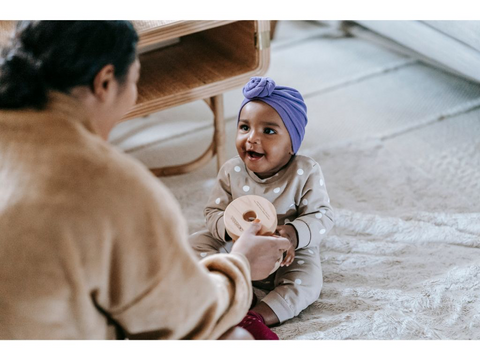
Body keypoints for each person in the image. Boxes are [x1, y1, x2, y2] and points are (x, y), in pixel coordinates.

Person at [0, 21, 291, 340]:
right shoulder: (114, 186)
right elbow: (185, 316)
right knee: (239, 338)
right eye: (136, 80)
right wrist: (241, 265)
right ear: (106, 82)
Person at [189, 77, 335, 339]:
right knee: (194, 244)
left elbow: (322, 216)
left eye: (268, 131)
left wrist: (292, 234)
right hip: (236, 250)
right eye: (245, 127)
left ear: (292, 144)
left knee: (309, 280)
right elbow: (213, 212)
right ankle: (231, 295)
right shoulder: (232, 170)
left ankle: (256, 315)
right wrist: (229, 231)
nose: (252, 139)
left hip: (286, 254)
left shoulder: (304, 171)